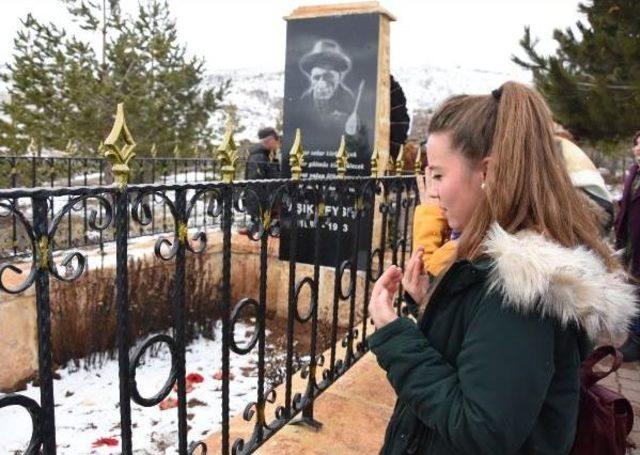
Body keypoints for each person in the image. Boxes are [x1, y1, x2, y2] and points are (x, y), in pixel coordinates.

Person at [367, 82, 637, 454]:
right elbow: (479, 359)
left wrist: (395, 335)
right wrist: (426, 303)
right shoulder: (501, 267)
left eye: (439, 175)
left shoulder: (520, 287)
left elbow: (481, 430)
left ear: (487, 172)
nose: (433, 193)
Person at [614, 131, 640, 361]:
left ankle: (636, 341)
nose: (638, 149)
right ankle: (633, 336)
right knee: (633, 286)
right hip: (631, 237)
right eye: (637, 145)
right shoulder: (634, 172)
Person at [242, 127, 281, 235]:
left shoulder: (265, 154)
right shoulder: (258, 156)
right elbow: (255, 185)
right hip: (262, 206)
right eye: (277, 141)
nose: (277, 145)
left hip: (265, 205)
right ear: (271, 139)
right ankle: (255, 225)